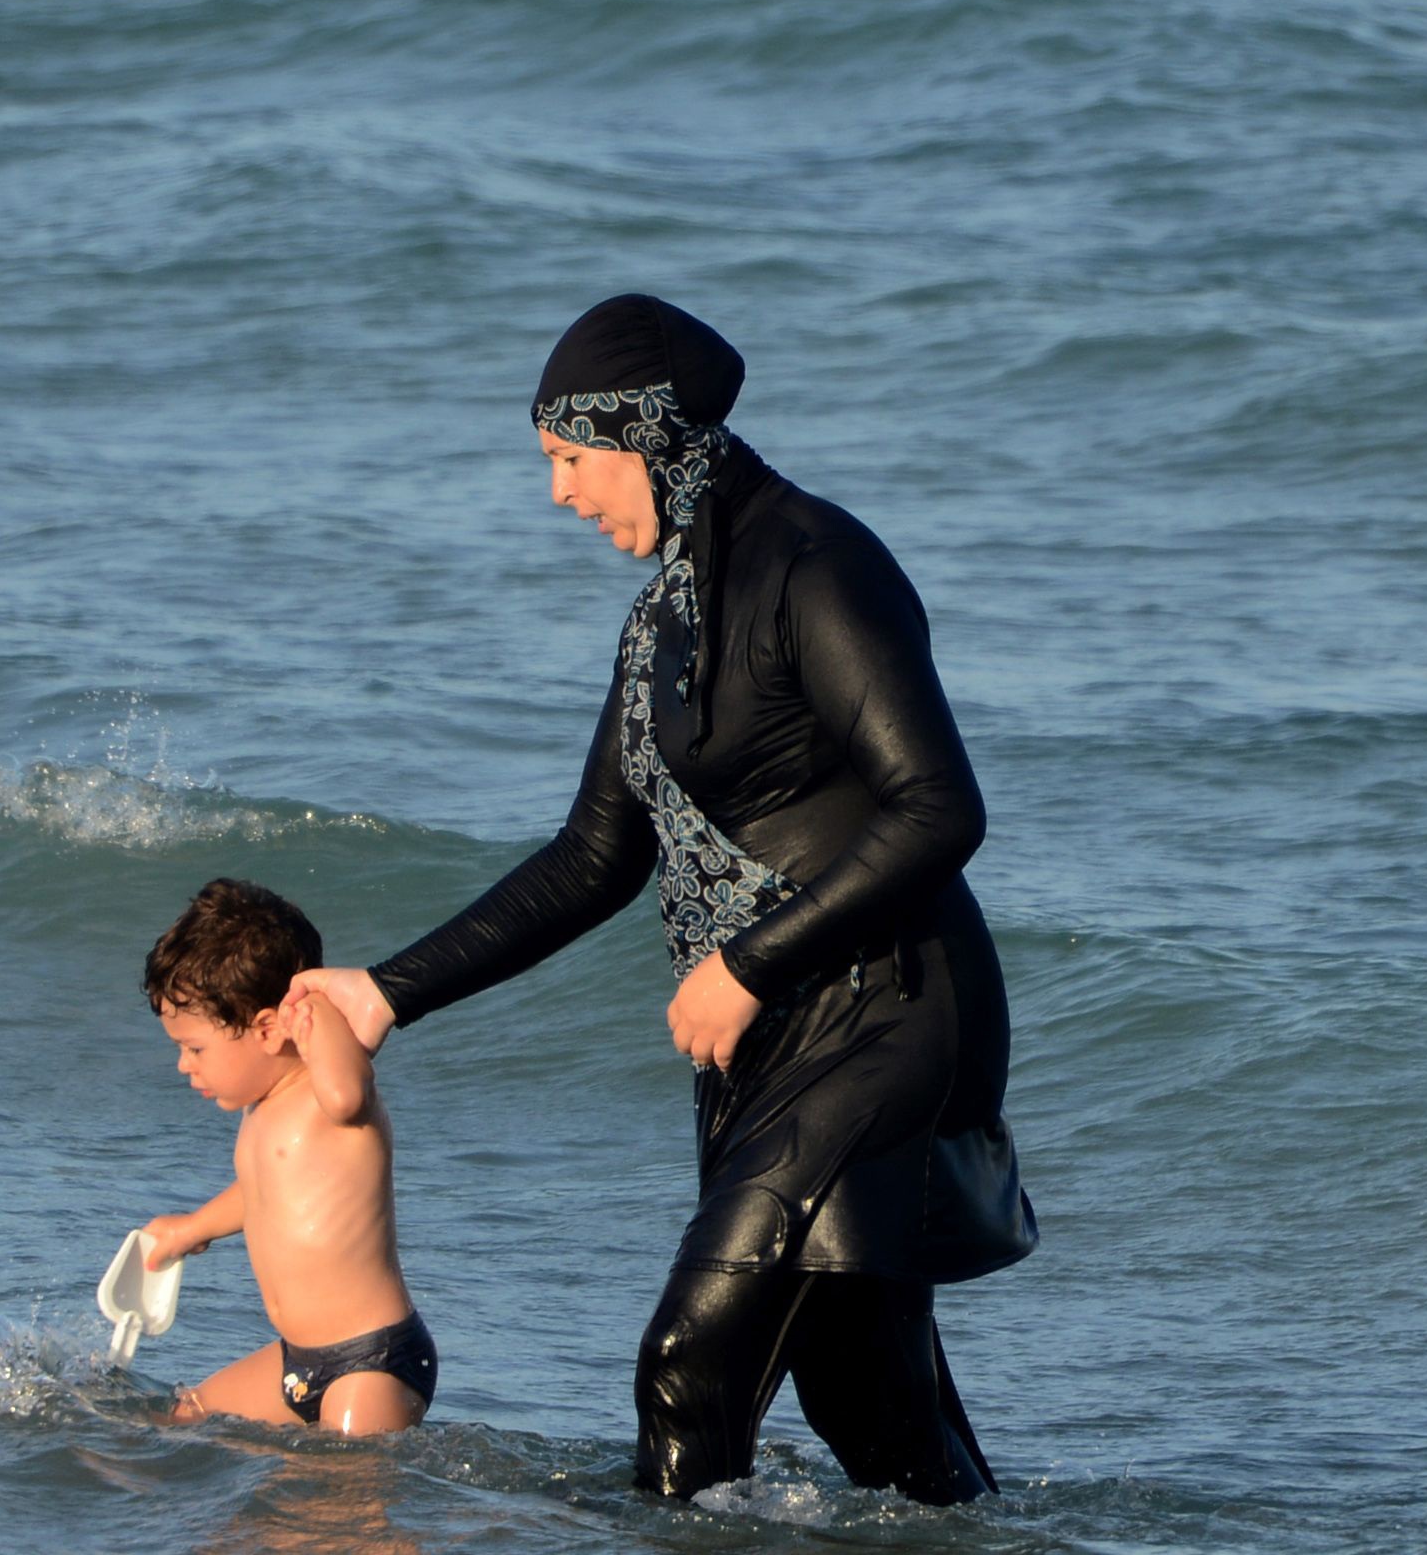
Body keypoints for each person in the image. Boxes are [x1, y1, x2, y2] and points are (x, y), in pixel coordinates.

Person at [283, 295, 1034, 1506]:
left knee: (690, 1364)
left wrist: (745, 965)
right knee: (874, 1414)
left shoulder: (819, 566)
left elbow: (939, 811)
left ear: (645, 434)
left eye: (570, 461)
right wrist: (385, 992)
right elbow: (594, 855)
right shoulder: (662, 621)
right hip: (775, 1041)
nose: (561, 495)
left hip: (888, 1015)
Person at [137, 878, 436, 1436]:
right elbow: (264, 1197)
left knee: (343, 1496)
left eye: (194, 1048)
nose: (183, 1065)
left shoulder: (330, 1095)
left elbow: (350, 1091)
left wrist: (316, 1012)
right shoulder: (262, 1112)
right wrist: (192, 1228)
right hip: (297, 1361)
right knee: (186, 1418)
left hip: (370, 1362)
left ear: (270, 1028)